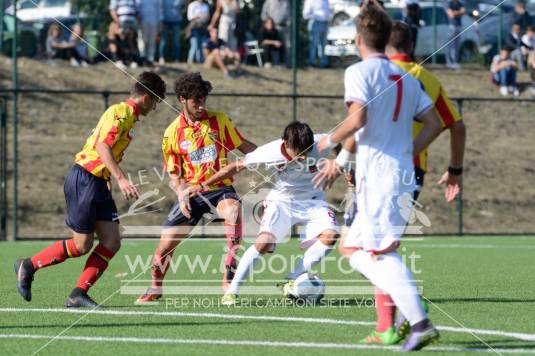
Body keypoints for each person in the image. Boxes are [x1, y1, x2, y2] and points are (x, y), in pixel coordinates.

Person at [315, 3, 443, 351]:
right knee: (352, 247)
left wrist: (329, 142)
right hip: (396, 172)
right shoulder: (406, 76)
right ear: (386, 38)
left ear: (358, 38)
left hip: (381, 176)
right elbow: (434, 123)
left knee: (379, 250)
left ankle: (418, 318)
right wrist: (408, 150)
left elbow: (357, 121)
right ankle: (410, 311)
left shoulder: (358, 72)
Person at [14, 72, 166, 308]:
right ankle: (29, 265)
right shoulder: (121, 112)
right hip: (84, 178)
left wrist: (108, 178)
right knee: (81, 245)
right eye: (156, 101)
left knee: (112, 240)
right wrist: (121, 178)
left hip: (98, 181)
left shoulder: (129, 117)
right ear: (146, 97)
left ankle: (78, 294)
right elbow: (102, 146)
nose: (156, 107)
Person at [136, 72, 257, 304]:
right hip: (191, 193)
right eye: (196, 101)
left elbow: (243, 146)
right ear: (182, 99)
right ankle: (155, 287)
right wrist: (181, 194)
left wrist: (272, 155)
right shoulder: (172, 133)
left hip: (221, 189)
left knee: (233, 211)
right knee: (163, 250)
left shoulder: (219, 121)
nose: (201, 105)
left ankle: (228, 279)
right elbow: (174, 173)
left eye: (204, 99)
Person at [191, 122, 339, 306]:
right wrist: (204, 185)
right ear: (285, 143)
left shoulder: (319, 142)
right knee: (263, 243)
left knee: (331, 236)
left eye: (306, 153)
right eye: (298, 153)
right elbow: (236, 166)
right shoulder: (269, 152)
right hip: (282, 201)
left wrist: (340, 162)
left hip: (314, 200)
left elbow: (338, 140)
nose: (302, 158)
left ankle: (291, 279)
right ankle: (232, 291)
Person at [109, 0, 140, 69]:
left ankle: (132, 60)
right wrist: (118, 23)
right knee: (117, 40)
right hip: (120, 21)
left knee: (132, 41)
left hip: (132, 22)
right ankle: (118, 60)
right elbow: (112, 10)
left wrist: (137, 22)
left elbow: (137, 10)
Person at [261, 0, 291, 67]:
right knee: (273, 44)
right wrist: (268, 24)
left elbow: (289, 14)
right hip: (273, 28)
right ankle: (272, 62)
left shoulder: (286, 2)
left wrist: (289, 22)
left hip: (285, 28)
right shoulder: (269, 1)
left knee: (287, 46)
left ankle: (287, 64)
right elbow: (263, 15)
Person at [303, 0, 330, 68]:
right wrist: (315, 16)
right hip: (315, 23)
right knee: (313, 44)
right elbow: (305, 14)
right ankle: (312, 62)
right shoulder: (310, 1)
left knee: (323, 44)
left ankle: (323, 62)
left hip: (325, 23)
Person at [159, 0, 185, 65]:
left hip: (177, 22)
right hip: (165, 22)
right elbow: (160, 8)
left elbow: (184, 6)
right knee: (164, 41)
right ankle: (161, 58)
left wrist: (181, 13)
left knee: (176, 42)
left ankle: (176, 59)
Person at [137, 0, 162, 66]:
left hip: (154, 22)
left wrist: (160, 22)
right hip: (143, 22)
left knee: (152, 41)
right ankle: (142, 58)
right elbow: (137, 9)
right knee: (142, 41)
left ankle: (150, 59)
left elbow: (159, 11)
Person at [446, 0, 465, 69]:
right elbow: (451, 15)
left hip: (458, 27)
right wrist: (457, 12)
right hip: (451, 27)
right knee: (451, 45)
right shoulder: (449, 4)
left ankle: (455, 62)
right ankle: (450, 62)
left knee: (456, 46)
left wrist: (456, 12)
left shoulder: (460, 3)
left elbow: (463, 11)